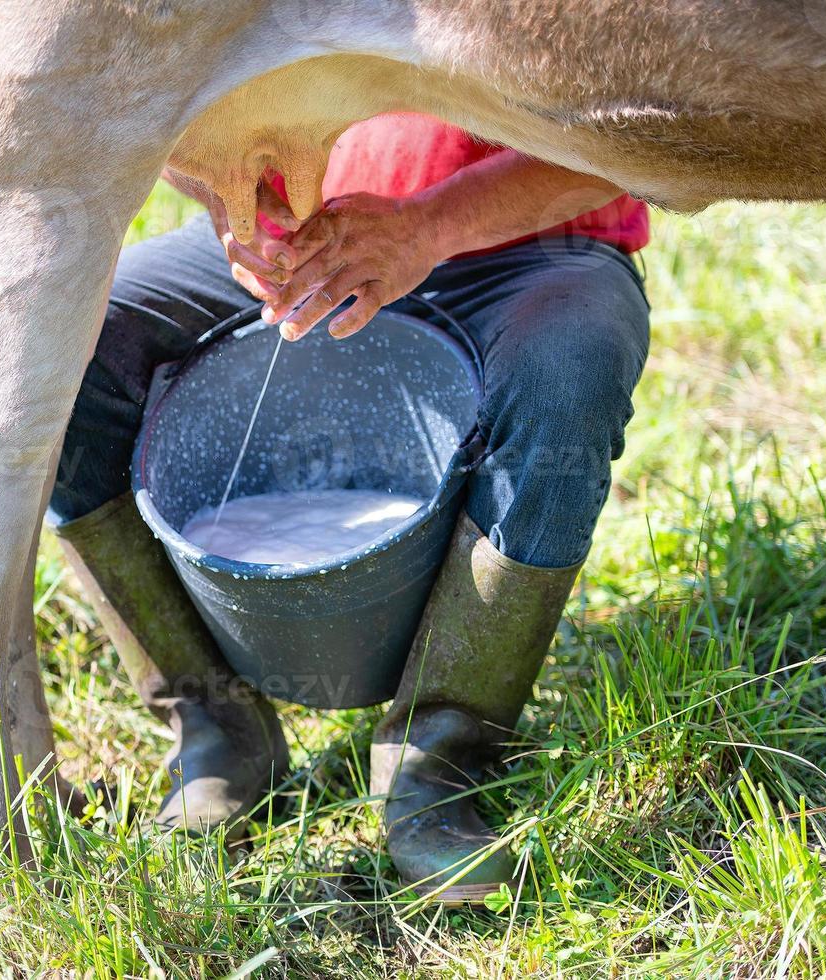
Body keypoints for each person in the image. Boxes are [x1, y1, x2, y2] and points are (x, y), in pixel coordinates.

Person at [47, 113, 651, 903]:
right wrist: (229, 202)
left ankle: (438, 760)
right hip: (307, 234)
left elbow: (648, 126)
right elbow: (151, 77)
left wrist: (431, 222)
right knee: (61, 351)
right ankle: (217, 726)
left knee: (567, 381)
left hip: (534, 243)